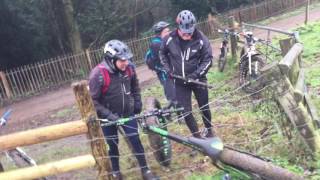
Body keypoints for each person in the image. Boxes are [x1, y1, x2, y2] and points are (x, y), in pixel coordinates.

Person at [89, 40, 158, 180]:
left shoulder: (129, 68)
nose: (125, 63)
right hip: (107, 117)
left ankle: (145, 171)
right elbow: (93, 101)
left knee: (135, 140)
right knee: (112, 145)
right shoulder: (98, 75)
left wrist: (137, 102)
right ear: (110, 59)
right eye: (122, 60)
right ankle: (116, 173)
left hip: (127, 112)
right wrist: (109, 115)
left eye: (127, 59)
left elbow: (135, 86)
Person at [159, 10, 214, 138]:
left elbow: (208, 59)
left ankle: (209, 129)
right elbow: (162, 53)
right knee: (185, 111)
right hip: (179, 81)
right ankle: (197, 136)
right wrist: (168, 69)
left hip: (197, 79)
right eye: (185, 33)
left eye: (190, 33)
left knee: (204, 106)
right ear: (178, 27)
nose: (188, 36)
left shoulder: (201, 39)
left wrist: (195, 75)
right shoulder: (169, 39)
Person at [145, 21, 176, 108]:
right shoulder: (156, 44)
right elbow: (162, 60)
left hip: (169, 71)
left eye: (169, 31)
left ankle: (170, 111)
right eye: (166, 31)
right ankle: (174, 114)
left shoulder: (164, 40)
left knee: (175, 94)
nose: (169, 33)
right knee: (172, 95)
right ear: (160, 33)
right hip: (164, 73)